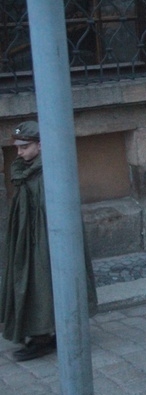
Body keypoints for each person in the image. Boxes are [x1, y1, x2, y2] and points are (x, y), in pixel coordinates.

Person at [1, 121, 98, 361]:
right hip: (26, 236)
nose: (19, 152)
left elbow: (55, 210)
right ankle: (39, 332)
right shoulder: (27, 168)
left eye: (24, 147)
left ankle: (43, 336)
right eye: (17, 147)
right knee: (31, 280)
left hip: (45, 239)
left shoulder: (50, 171)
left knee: (42, 281)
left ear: (41, 145)